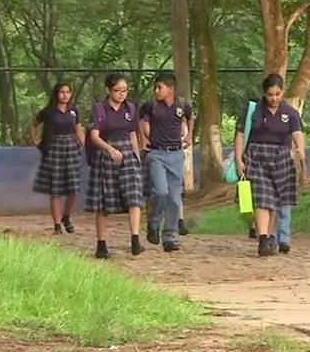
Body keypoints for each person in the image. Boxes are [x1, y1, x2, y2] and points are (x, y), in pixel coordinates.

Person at [235, 74, 306, 256]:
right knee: (262, 197)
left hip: (280, 158)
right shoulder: (253, 111)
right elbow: (240, 135)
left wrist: (300, 149)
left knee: (274, 200)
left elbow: (297, 132)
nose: (274, 98)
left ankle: (269, 237)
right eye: (270, 94)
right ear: (264, 93)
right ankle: (263, 238)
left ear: (282, 92)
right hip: (256, 157)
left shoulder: (290, 113)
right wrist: (238, 159)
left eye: (277, 94)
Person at [85, 73, 146, 259]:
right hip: (106, 153)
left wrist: (137, 156)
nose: (122, 94)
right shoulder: (99, 109)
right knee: (105, 202)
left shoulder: (131, 108)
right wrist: (109, 149)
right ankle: (101, 244)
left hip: (127, 154)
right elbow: (94, 136)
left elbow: (133, 133)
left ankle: (135, 239)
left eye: (125, 90)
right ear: (108, 90)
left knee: (135, 196)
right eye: (117, 90)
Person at [139, 72, 194, 252]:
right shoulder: (151, 105)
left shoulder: (182, 104)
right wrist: (143, 138)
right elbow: (140, 118)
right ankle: (153, 223)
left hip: (176, 154)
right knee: (160, 191)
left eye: (160, 88)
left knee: (174, 198)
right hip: (157, 153)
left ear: (171, 89)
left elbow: (190, 117)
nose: (156, 91)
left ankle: (170, 237)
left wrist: (189, 135)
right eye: (155, 88)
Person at [30, 82, 86, 235]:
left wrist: (85, 145)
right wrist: (35, 141)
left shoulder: (73, 110)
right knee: (55, 189)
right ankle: (57, 225)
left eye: (68, 92)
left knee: (73, 188)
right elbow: (34, 124)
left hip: (71, 148)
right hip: (54, 148)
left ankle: (66, 216)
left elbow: (78, 129)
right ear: (56, 94)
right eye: (62, 92)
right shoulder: (49, 111)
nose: (65, 95)